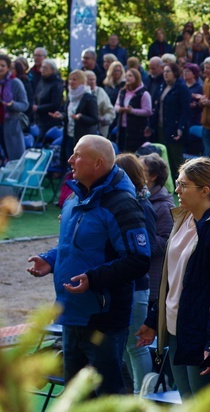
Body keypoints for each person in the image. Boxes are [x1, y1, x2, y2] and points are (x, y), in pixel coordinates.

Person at [27, 135, 150, 395]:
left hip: (103, 320)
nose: (70, 160)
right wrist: (50, 259)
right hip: (72, 315)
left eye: (77, 155)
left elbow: (138, 260)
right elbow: (72, 247)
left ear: (98, 163)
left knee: (108, 395)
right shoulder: (74, 199)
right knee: (74, 396)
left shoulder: (121, 204)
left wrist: (93, 279)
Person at [136, 157, 210, 399]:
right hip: (176, 330)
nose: (177, 190)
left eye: (184, 185)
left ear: (204, 191)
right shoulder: (184, 219)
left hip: (200, 336)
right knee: (187, 401)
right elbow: (171, 279)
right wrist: (153, 320)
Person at [113, 153, 157, 395]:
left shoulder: (143, 206)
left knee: (136, 346)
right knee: (129, 346)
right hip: (130, 285)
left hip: (138, 286)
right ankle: (136, 395)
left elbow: (147, 247)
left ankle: (144, 398)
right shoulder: (132, 201)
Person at [138, 153, 174, 308]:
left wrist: (140, 235)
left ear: (152, 176)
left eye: (141, 170)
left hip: (152, 279)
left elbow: (167, 242)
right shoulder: (143, 199)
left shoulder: (163, 206)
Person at [147, 62, 190, 181]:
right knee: (164, 155)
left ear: (175, 73)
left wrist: (180, 128)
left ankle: (182, 180)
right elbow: (157, 108)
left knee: (176, 156)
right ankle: (168, 180)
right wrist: (150, 125)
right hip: (162, 127)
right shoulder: (162, 86)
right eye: (164, 71)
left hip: (174, 127)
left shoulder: (181, 87)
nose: (165, 74)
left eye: (168, 71)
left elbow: (185, 110)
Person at [49, 70, 99, 164]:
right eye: (70, 79)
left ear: (81, 81)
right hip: (69, 135)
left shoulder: (89, 98)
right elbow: (67, 114)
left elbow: (94, 119)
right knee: (70, 161)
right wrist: (61, 116)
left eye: (74, 79)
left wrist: (81, 117)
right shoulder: (70, 96)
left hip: (82, 137)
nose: (71, 82)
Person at [115, 68, 152, 153]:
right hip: (122, 128)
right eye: (127, 76)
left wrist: (132, 111)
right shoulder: (122, 91)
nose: (127, 78)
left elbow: (148, 111)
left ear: (137, 77)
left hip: (136, 130)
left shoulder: (144, 93)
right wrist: (119, 109)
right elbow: (116, 105)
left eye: (130, 76)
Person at [0, 54, 29, 161]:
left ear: (8, 67)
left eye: (3, 66)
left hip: (11, 125)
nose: (0, 68)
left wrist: (12, 105)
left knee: (13, 158)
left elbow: (25, 105)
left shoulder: (15, 83)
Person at [33, 59, 64, 137]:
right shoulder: (42, 81)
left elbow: (55, 103)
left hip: (50, 120)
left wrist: (38, 108)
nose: (42, 70)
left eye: (45, 68)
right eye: (42, 67)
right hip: (38, 119)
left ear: (52, 70)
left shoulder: (56, 84)